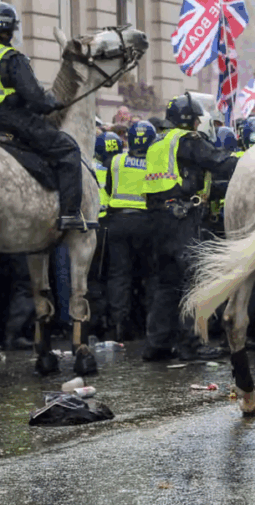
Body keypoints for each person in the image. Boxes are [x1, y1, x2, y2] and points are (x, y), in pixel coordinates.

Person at [0, 1, 87, 231]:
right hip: (13, 121)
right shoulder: (11, 58)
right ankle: (70, 215)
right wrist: (51, 104)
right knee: (68, 150)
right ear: (9, 32)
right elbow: (35, 97)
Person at [139, 94, 238, 361]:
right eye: (196, 120)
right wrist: (251, 160)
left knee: (166, 284)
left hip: (157, 220)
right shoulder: (186, 140)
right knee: (195, 281)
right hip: (182, 219)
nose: (198, 125)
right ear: (189, 121)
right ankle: (191, 345)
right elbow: (219, 161)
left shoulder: (158, 142)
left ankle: (157, 343)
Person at [104, 121, 156, 342]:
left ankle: (119, 325)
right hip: (146, 224)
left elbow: (109, 188)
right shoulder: (156, 163)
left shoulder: (116, 161)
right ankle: (150, 325)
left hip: (118, 222)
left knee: (119, 275)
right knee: (151, 276)